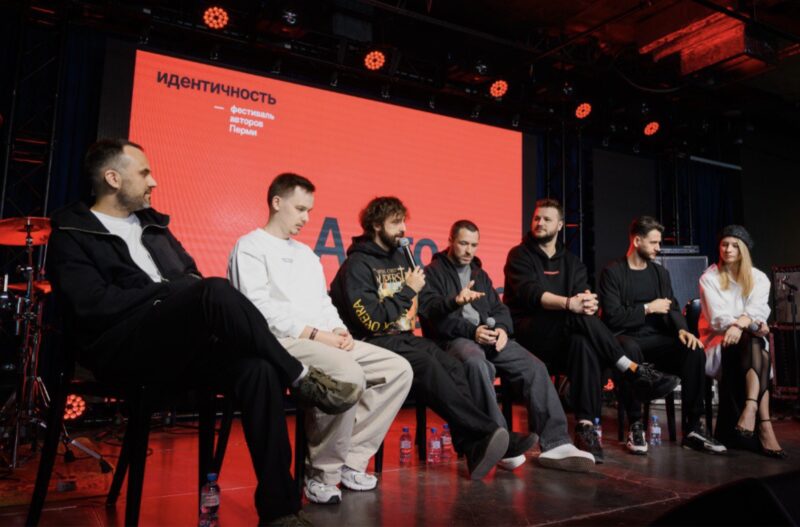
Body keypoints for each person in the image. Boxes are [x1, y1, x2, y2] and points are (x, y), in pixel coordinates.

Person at [48, 139, 363, 527]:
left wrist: (177, 294)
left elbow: (190, 275)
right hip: (123, 348)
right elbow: (92, 306)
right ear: (113, 178)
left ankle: (279, 510)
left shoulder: (154, 227)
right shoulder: (72, 233)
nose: (154, 182)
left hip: (178, 347)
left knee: (258, 370)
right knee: (214, 290)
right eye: (144, 173)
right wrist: (164, 294)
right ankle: (298, 374)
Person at [228, 173, 413, 504]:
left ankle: (351, 459)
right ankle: (321, 475)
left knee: (398, 370)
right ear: (276, 202)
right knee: (347, 374)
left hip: (321, 338)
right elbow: (258, 313)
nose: (306, 218)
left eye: (310, 211)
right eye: (300, 209)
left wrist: (338, 330)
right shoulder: (250, 247)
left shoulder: (306, 254)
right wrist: (317, 335)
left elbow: (323, 303)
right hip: (280, 342)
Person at [330, 196, 525, 480]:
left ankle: (475, 446)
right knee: (429, 366)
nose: (403, 229)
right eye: (395, 222)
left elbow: (425, 307)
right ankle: (492, 435)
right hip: (372, 340)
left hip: (404, 337)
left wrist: (454, 301)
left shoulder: (401, 257)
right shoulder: (357, 266)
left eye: (403, 221)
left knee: (454, 365)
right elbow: (370, 320)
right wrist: (408, 290)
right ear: (376, 225)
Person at [503, 198, 679, 462]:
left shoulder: (571, 261)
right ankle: (630, 369)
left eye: (547, 219)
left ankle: (585, 428)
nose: (539, 223)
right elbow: (531, 293)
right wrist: (569, 303)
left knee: (583, 342)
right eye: (537, 218)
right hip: (529, 333)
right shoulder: (519, 255)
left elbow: (582, 294)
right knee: (576, 318)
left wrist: (587, 302)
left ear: (560, 225)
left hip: (565, 335)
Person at [419, 219, 595, 472]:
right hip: (455, 339)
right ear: (450, 241)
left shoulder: (479, 274)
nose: (469, 251)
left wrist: (502, 329)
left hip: (489, 336)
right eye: (463, 244)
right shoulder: (432, 273)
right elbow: (433, 316)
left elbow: (500, 309)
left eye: (474, 245)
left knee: (534, 367)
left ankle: (556, 443)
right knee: (476, 364)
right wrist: (472, 331)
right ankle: (500, 442)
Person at [598, 216, 725, 455]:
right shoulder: (613, 272)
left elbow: (672, 307)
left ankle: (693, 428)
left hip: (656, 339)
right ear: (637, 241)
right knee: (629, 349)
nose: (658, 247)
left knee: (693, 351)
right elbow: (613, 317)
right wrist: (647, 308)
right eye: (654, 242)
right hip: (625, 338)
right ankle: (636, 425)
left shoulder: (659, 273)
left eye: (659, 242)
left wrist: (683, 331)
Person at [698, 225, 784, 458]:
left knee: (754, 344)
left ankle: (750, 407)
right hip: (718, 341)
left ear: (744, 250)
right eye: (724, 244)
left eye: (735, 245)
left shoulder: (759, 278)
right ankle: (764, 423)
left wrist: (743, 324)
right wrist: (748, 323)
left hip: (747, 342)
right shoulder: (709, 278)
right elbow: (718, 319)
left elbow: (758, 309)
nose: (728, 249)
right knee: (757, 346)